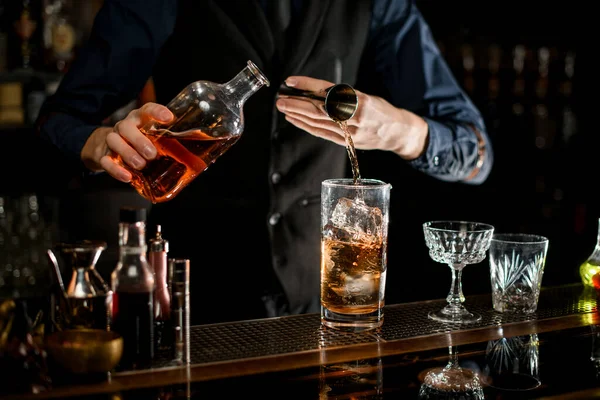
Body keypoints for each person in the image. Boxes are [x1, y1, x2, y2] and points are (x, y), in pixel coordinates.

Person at [36, 0, 493, 325]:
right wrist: (97, 142)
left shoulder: (382, 5)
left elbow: (476, 154)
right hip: (193, 301)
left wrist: (399, 130)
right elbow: (58, 123)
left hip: (322, 306)